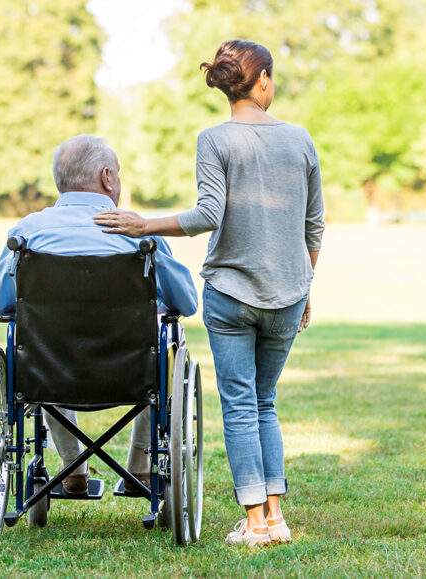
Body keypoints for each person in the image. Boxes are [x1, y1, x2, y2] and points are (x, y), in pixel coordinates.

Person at [95, 39, 325, 547]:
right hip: (288, 292)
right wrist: (305, 288)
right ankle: (276, 516)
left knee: (241, 404)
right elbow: (314, 228)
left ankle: (255, 523)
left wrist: (143, 224)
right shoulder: (301, 140)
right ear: (261, 79)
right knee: (266, 401)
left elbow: (207, 216)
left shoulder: (214, 140)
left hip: (230, 292)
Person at [0, 134, 198, 496]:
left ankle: (73, 471)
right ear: (107, 178)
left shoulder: (27, 234)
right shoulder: (138, 234)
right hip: (131, 372)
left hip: (50, 373)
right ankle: (142, 470)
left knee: (41, 343)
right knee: (163, 347)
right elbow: (188, 304)